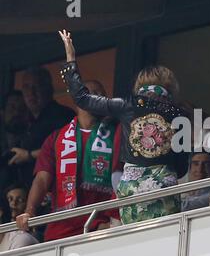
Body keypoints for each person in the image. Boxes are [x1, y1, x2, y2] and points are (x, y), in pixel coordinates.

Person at [58, 29, 188, 225]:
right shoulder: (180, 114)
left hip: (132, 190)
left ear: (139, 86)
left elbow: (82, 99)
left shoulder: (128, 104)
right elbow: (181, 168)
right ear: (170, 87)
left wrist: (71, 59)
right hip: (164, 188)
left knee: (135, 244)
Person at [16, 81, 121, 241]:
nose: (97, 98)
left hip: (101, 225)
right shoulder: (57, 138)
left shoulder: (117, 134)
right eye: (91, 92)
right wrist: (30, 211)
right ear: (77, 97)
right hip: (61, 227)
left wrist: (114, 219)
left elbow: (120, 178)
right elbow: (42, 179)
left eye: (101, 94)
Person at [8, 66, 74, 187]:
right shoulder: (25, 121)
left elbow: (68, 148)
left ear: (49, 89)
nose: (31, 93)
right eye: (26, 87)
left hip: (55, 190)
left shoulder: (63, 115)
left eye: (36, 86)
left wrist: (29, 155)